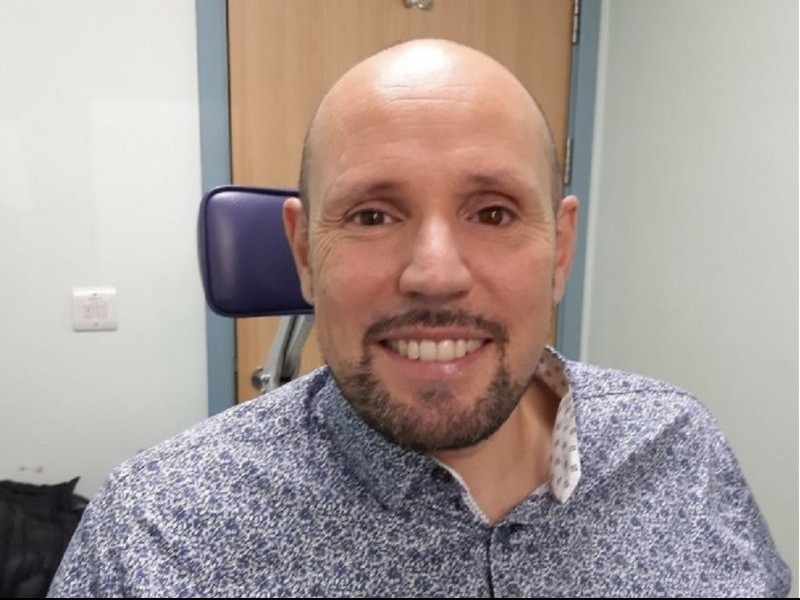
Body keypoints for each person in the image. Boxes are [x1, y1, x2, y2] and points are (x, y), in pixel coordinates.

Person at [49, 39, 790, 597]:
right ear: (304, 253)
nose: (436, 274)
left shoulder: (680, 452)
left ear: (561, 250)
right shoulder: (155, 535)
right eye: (372, 215)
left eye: (493, 213)